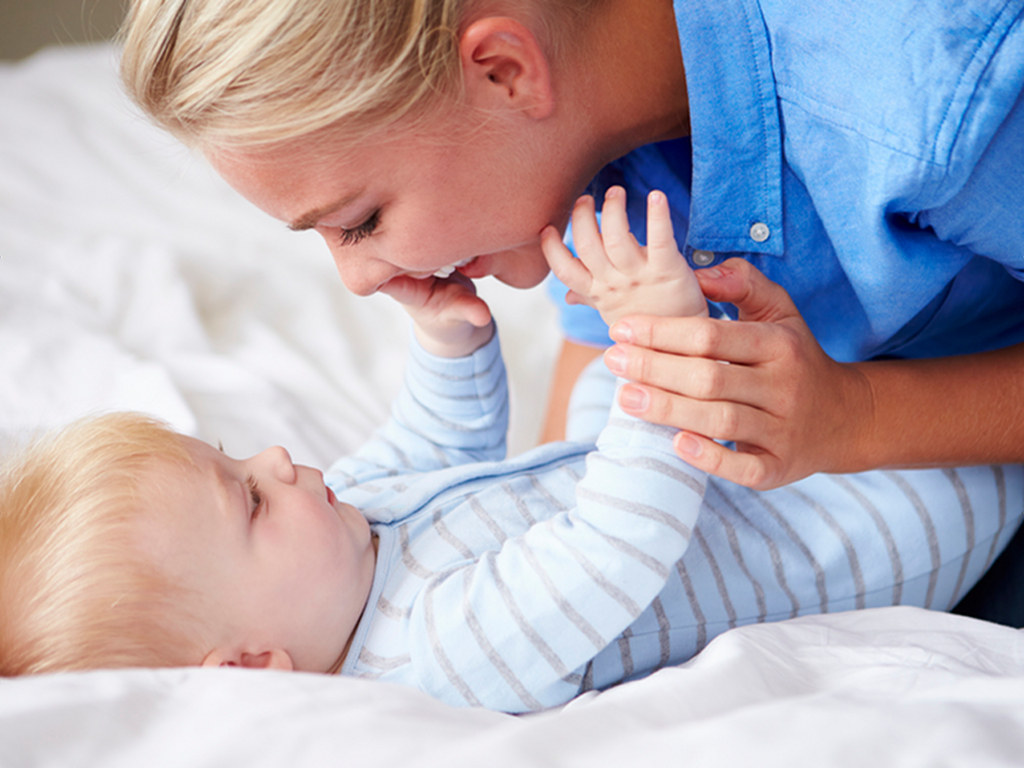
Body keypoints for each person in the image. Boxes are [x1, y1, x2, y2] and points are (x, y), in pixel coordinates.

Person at [117, 0, 1024, 622]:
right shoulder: (574, 150)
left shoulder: (922, 103)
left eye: (360, 221)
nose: (357, 279)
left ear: (505, 72)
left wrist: (855, 415)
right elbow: (601, 369)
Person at [4, 191, 1018, 713]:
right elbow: (614, 545)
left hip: (678, 466)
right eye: (248, 501)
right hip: (840, 530)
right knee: (953, 457)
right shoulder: (435, 658)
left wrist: (449, 346)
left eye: (232, 456)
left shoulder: (337, 535)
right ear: (250, 669)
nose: (272, 458)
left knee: (678, 369)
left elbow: (434, 442)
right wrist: (655, 345)